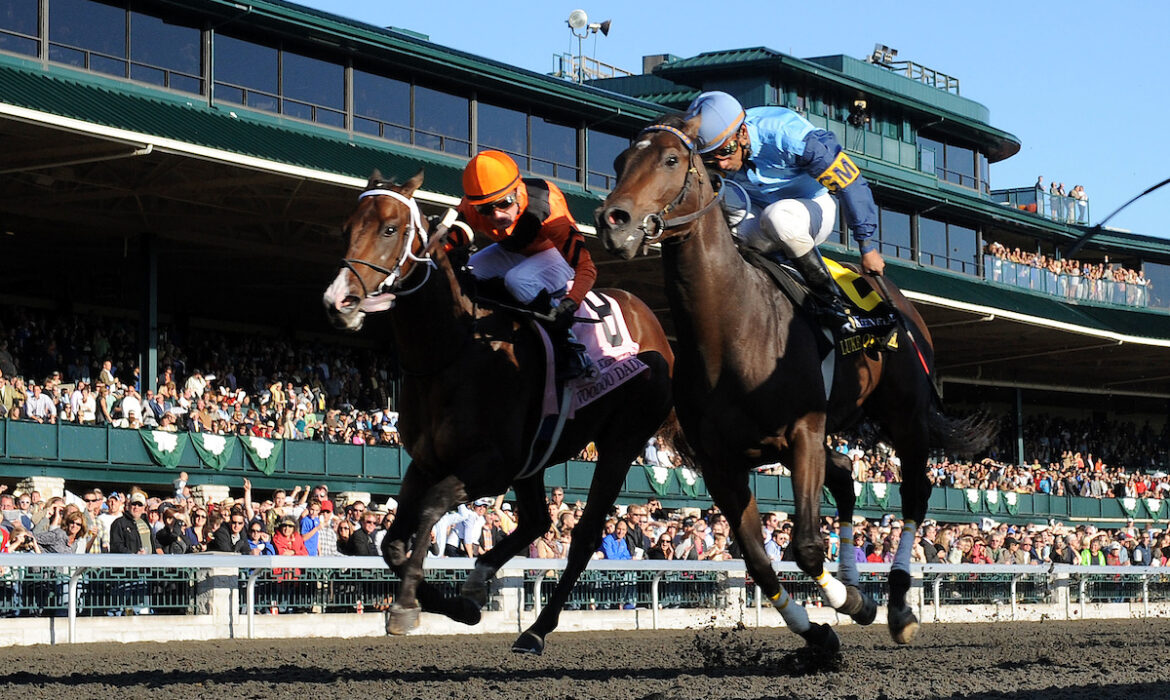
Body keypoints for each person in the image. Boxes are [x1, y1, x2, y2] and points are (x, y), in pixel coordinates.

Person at [685, 91, 884, 332]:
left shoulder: (789, 137)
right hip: (758, 209)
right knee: (723, 230)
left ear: (743, 133)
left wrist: (867, 245)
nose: (723, 164)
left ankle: (830, 300)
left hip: (812, 208)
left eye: (726, 151)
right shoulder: (724, 151)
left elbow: (850, 183)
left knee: (778, 217)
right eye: (711, 159)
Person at [456, 150, 597, 378]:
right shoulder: (471, 207)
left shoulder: (547, 205)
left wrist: (570, 303)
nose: (496, 216)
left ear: (517, 190)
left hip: (555, 254)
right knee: (467, 271)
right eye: (485, 209)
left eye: (504, 203)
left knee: (518, 279)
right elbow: (448, 242)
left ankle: (571, 348)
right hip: (515, 251)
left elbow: (586, 267)